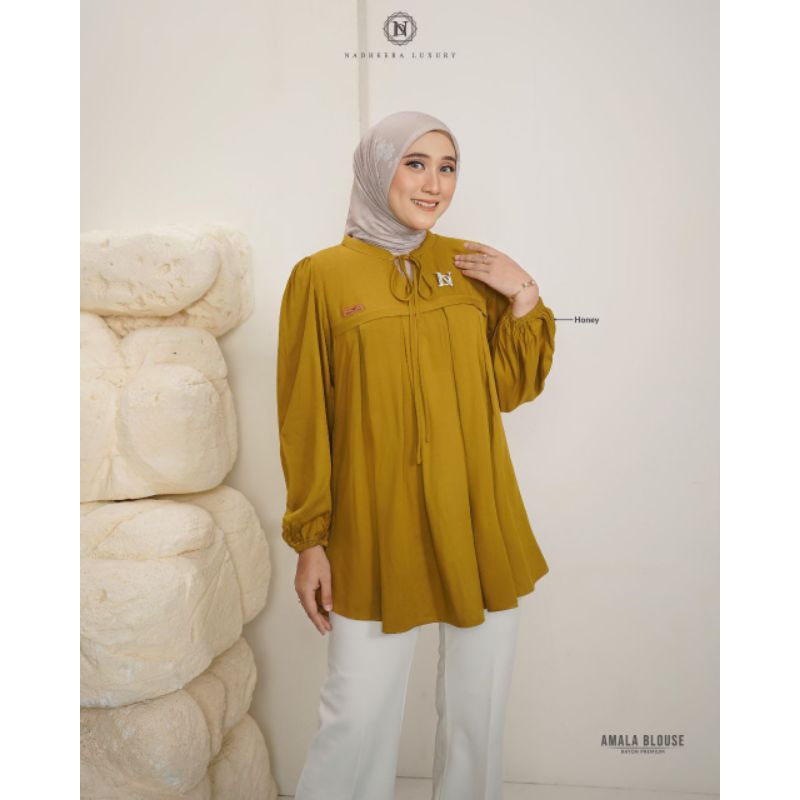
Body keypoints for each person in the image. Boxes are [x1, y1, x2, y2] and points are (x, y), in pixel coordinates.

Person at [276, 110, 557, 800]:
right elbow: (304, 417)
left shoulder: (469, 266)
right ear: (378, 170)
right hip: (375, 523)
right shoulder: (321, 277)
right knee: (355, 716)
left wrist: (523, 292)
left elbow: (508, 389)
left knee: (477, 714)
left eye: (448, 168)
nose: (434, 184)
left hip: (476, 513)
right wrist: (311, 539)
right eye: (416, 163)